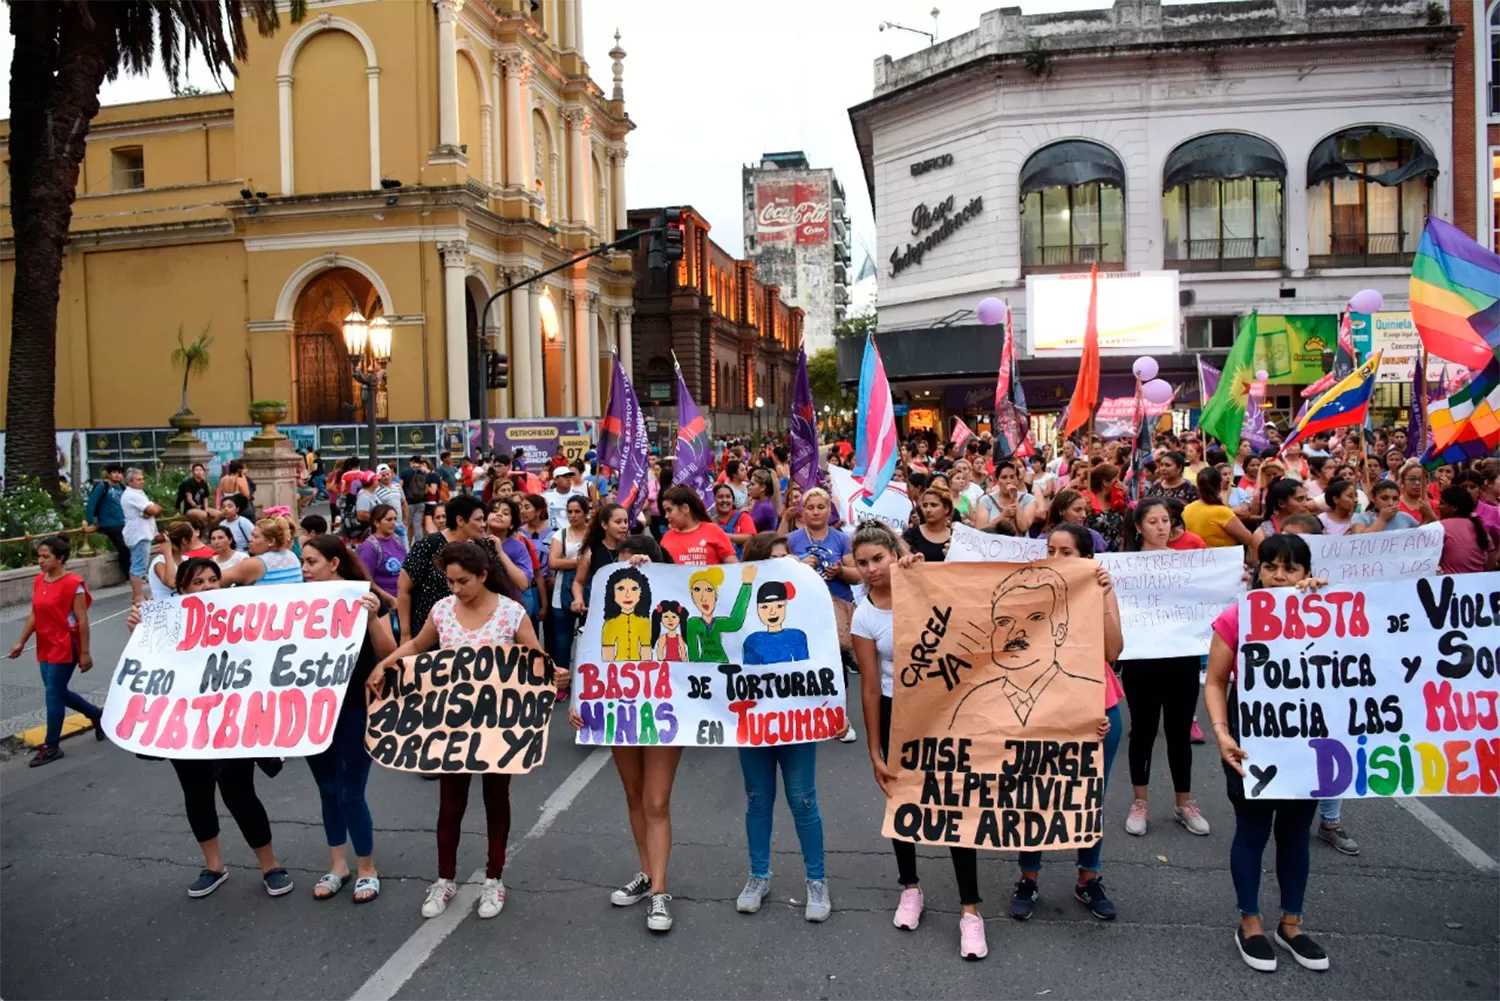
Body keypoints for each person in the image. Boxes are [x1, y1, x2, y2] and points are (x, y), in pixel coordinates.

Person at [373, 542, 562, 921]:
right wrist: (386, 665)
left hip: (499, 727)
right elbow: (416, 645)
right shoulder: (443, 611)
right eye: (450, 581)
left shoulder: (511, 613)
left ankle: (494, 879)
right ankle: (445, 878)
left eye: (462, 581)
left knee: (496, 800)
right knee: (450, 806)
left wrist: (553, 673)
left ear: (482, 576)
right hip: (453, 726)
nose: (455, 588)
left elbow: (535, 659)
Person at [851, 522, 989, 958]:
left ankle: (971, 911)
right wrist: (874, 751)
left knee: (954, 804)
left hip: (944, 712)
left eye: (878, 558)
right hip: (897, 716)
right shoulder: (864, 614)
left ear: (895, 554)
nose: (871, 568)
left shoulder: (928, 584)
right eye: (862, 562)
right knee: (902, 800)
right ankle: (910, 887)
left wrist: (923, 572)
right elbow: (870, 688)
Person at [123, 558, 293, 897]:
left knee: (240, 794)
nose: (207, 588)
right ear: (182, 590)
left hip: (231, 725)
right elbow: (151, 672)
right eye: (197, 582)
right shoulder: (164, 624)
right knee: (197, 795)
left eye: (213, 580)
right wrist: (140, 632)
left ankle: (270, 865)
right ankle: (213, 866)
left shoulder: (240, 619)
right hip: (186, 727)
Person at [1204, 533, 1330, 973]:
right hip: (1251, 736)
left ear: (1306, 574)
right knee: (1253, 828)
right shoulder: (1237, 617)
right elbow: (1216, 681)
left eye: (1291, 568)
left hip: (1309, 738)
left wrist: (1327, 602)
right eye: (1271, 566)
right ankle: (1250, 923)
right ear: (1258, 570)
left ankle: (1291, 925)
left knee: (1296, 831)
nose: (1279, 576)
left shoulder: (1325, 611)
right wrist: (1221, 733)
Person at [569, 545, 687, 934]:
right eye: (620, 586)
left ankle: (660, 891)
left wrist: (656, 570)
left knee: (657, 801)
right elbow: (590, 664)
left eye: (634, 586)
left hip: (661, 715)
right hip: (620, 715)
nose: (627, 592)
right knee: (634, 796)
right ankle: (646, 872)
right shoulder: (605, 623)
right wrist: (578, 702)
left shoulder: (660, 619)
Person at [1010, 523, 1124, 923]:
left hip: (1095, 708)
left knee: (1090, 796)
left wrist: (1104, 597)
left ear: (1086, 559)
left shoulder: (1098, 591)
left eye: (1066, 553)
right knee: (1033, 794)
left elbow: (1112, 651)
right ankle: (1028, 878)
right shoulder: (1029, 594)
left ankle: (1088, 879)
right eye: (1050, 550)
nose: (1056, 559)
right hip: (1040, 707)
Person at [301, 535, 395, 904]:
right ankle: (338, 865)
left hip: (355, 707)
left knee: (350, 791)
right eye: (303, 563)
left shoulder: (365, 598)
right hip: (311, 708)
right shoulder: (295, 603)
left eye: (311, 562)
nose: (305, 569)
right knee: (327, 788)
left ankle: (367, 867)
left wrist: (372, 616)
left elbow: (388, 653)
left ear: (334, 563)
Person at [1121, 500, 1209, 838]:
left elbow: (1210, 597)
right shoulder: (1123, 567)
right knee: (1142, 731)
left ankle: (1183, 802)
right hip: (1141, 662)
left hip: (1182, 660)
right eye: (1153, 521)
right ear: (1139, 527)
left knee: (1179, 733)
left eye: (1166, 520)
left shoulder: (1188, 565)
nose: (1161, 527)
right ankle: (1139, 802)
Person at [7, 536, 103, 766]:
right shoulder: (39, 581)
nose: (40, 561)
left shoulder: (74, 584)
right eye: (39, 556)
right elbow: (34, 614)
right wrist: (21, 642)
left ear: (60, 558)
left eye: (45, 556)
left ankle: (51, 746)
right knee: (58, 692)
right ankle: (97, 715)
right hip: (46, 644)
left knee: (53, 695)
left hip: (64, 645)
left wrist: (85, 653)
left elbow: (81, 621)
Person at [787, 487, 860, 744]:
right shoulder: (792, 539)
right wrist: (797, 564)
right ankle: (808, 716)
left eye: (821, 507)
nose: (816, 512)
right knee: (805, 665)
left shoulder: (841, 539)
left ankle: (841, 720)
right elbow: (779, 570)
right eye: (810, 507)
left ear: (830, 511)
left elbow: (857, 575)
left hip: (835, 610)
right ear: (802, 511)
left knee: (837, 666)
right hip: (802, 612)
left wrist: (840, 571)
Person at [398, 494, 490, 641]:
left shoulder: (477, 549)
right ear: (460, 520)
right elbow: (404, 589)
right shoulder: (428, 545)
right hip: (426, 635)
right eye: (478, 519)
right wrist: (405, 635)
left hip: (465, 635)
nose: (484, 524)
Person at [548, 496, 590, 672]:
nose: (573, 515)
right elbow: (553, 562)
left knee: (589, 638)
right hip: (561, 593)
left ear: (586, 513)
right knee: (562, 642)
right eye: (570, 511)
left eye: (577, 511)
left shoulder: (593, 534)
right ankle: (562, 680)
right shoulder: (561, 534)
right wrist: (583, 562)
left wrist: (570, 561)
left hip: (589, 592)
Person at [660, 485, 737, 566]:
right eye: (665, 511)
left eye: (669, 510)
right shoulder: (666, 538)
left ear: (685, 508)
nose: (666, 516)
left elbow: (734, 569)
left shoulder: (713, 531)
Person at [356, 504, 407, 629]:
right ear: (377, 523)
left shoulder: (397, 539)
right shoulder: (370, 547)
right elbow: (367, 581)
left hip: (402, 600)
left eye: (395, 519)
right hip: (386, 607)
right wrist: (390, 600)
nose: (393, 523)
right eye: (388, 520)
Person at [217, 517, 305, 587]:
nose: (250, 540)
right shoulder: (292, 556)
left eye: (255, 537)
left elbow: (216, 580)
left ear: (271, 541)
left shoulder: (256, 563)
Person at [1182, 468, 1255, 549]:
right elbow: (1247, 539)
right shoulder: (1222, 511)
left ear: (1198, 486)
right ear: (1220, 485)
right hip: (1222, 558)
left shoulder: (1187, 509)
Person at [120, 467, 162, 605]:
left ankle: (137, 595)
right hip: (139, 534)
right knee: (138, 566)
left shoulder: (139, 493)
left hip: (143, 533)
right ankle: (137, 596)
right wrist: (150, 510)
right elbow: (152, 509)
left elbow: (155, 509)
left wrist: (150, 511)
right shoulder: (131, 495)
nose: (142, 481)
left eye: (142, 479)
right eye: (139, 479)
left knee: (140, 565)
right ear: (130, 481)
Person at [84, 464, 130, 582]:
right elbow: (91, 504)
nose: (117, 475)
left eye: (119, 472)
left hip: (124, 523)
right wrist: (90, 523)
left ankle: (135, 573)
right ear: (108, 474)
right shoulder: (102, 487)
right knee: (123, 548)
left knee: (132, 546)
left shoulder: (123, 488)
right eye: (114, 472)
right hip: (109, 524)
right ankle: (129, 575)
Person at [1437, 484, 1495, 574]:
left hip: (1453, 585)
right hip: (1481, 584)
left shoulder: (1442, 526)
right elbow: (1491, 561)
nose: (1438, 507)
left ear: (1455, 507)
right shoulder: (1479, 526)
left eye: (1442, 503)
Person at [976, 462, 1037, 535]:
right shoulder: (986, 500)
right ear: (998, 480)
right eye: (1004, 477)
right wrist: (1003, 515)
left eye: (1012, 477)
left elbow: (1023, 527)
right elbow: (981, 530)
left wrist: (1015, 499)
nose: (1008, 481)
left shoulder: (1029, 499)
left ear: (1017, 480)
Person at [1084, 463, 1132, 553]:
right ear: (1105, 482)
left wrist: (1126, 497)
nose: (1119, 483)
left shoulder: (1119, 500)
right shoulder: (1088, 501)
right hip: (1096, 554)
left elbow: (1131, 519)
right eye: (1116, 480)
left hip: (1119, 554)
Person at [1044, 488, 1109, 553]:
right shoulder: (1043, 539)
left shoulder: (1094, 536)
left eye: (1085, 510)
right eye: (1077, 510)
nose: (1084, 515)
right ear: (1062, 511)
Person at [903, 487, 954, 562]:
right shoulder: (911, 534)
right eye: (924, 505)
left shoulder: (955, 537)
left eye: (934, 505)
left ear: (946, 509)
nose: (928, 510)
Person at [1350, 479, 1419, 533]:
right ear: (1373, 498)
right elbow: (1360, 540)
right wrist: (1382, 519)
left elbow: (1421, 536)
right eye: (1384, 498)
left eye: (1395, 499)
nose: (1390, 503)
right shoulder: (1360, 517)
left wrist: (1428, 516)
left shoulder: (1404, 517)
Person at [712, 484, 756, 556]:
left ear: (733, 500)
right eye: (720, 497)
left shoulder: (743, 516)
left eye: (728, 497)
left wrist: (723, 536)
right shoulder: (708, 518)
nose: (724, 500)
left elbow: (750, 538)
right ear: (714, 499)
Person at [542, 465, 587, 530]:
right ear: (555, 480)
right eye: (564, 476)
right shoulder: (545, 496)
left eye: (569, 476)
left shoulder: (579, 495)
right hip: (552, 534)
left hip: (574, 533)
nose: (568, 479)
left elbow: (585, 516)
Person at [1395, 460, 1438, 524]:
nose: (1417, 483)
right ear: (1402, 481)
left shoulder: (1436, 505)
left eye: (1421, 479)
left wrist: (1430, 514)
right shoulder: (1394, 505)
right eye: (1412, 479)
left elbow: (1444, 531)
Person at [747, 468, 781, 533]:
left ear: (763, 488)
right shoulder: (758, 502)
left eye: (752, 484)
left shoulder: (765, 507)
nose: (749, 487)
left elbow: (747, 526)